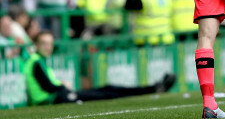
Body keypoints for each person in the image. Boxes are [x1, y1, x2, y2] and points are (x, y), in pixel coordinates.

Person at [24, 30, 175, 106]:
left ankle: (153, 88)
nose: (48, 47)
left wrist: (60, 85)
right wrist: (61, 85)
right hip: (54, 100)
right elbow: (49, 87)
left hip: (59, 96)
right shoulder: (36, 62)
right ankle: (153, 89)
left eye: (50, 43)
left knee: (109, 88)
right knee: (106, 94)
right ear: (36, 44)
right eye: (44, 43)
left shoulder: (39, 61)